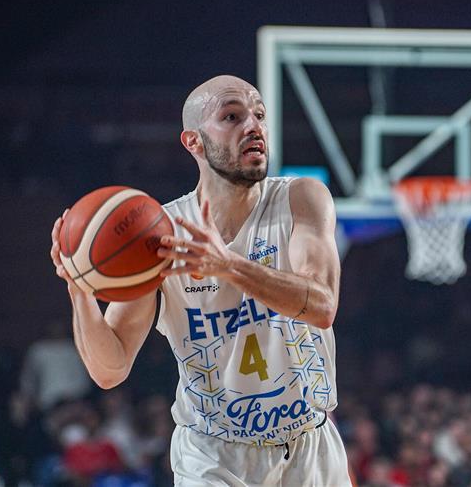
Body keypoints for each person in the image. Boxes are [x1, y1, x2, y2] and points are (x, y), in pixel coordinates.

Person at [50, 75, 349, 486]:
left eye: (259, 115)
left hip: (308, 447)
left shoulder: (301, 198)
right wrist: (79, 287)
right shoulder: (161, 235)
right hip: (213, 453)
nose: (254, 126)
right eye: (232, 116)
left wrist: (227, 266)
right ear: (193, 142)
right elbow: (110, 369)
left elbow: (321, 305)